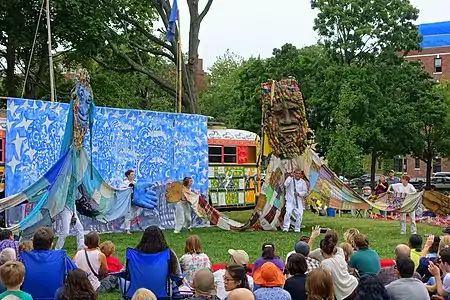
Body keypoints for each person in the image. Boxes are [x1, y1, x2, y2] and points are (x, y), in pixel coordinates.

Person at [320, 233, 358, 300]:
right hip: (353, 284)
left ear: (321, 251)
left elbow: (328, 282)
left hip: (342, 293)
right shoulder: (340, 256)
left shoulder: (325, 263)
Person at [120, 170, 142, 235]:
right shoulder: (124, 183)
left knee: (136, 213)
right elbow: (121, 191)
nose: (133, 176)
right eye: (132, 174)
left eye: (133, 174)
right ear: (128, 176)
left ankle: (124, 225)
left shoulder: (135, 182)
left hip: (135, 201)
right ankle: (127, 230)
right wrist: (128, 188)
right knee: (128, 215)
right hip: (128, 201)